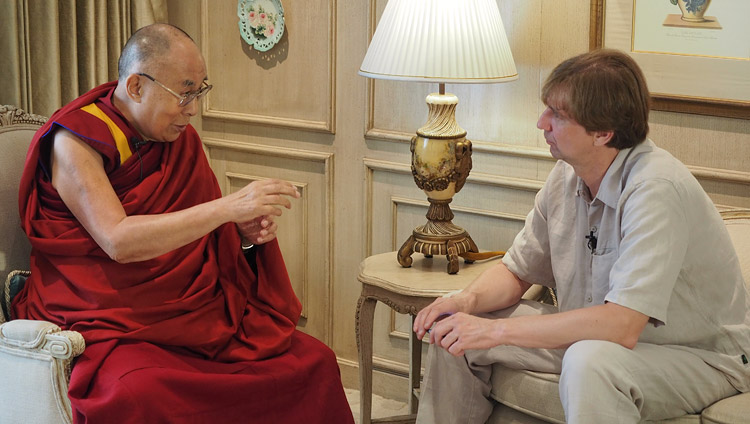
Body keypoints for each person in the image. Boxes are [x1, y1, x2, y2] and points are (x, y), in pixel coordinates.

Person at [12, 23, 354, 424]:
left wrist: (242, 237)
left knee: (314, 361)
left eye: (200, 91)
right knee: (137, 394)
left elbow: (205, 238)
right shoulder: (76, 142)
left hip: (190, 310)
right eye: (185, 92)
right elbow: (118, 241)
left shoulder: (175, 138)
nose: (193, 108)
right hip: (106, 313)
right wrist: (228, 208)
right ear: (137, 86)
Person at [412, 49, 750, 423]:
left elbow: (622, 325)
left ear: (603, 133)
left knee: (589, 361)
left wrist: (494, 332)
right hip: (593, 339)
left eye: (557, 114)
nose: (542, 122)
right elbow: (516, 273)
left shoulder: (656, 189)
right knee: (453, 333)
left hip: (700, 357)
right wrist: (466, 303)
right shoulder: (566, 174)